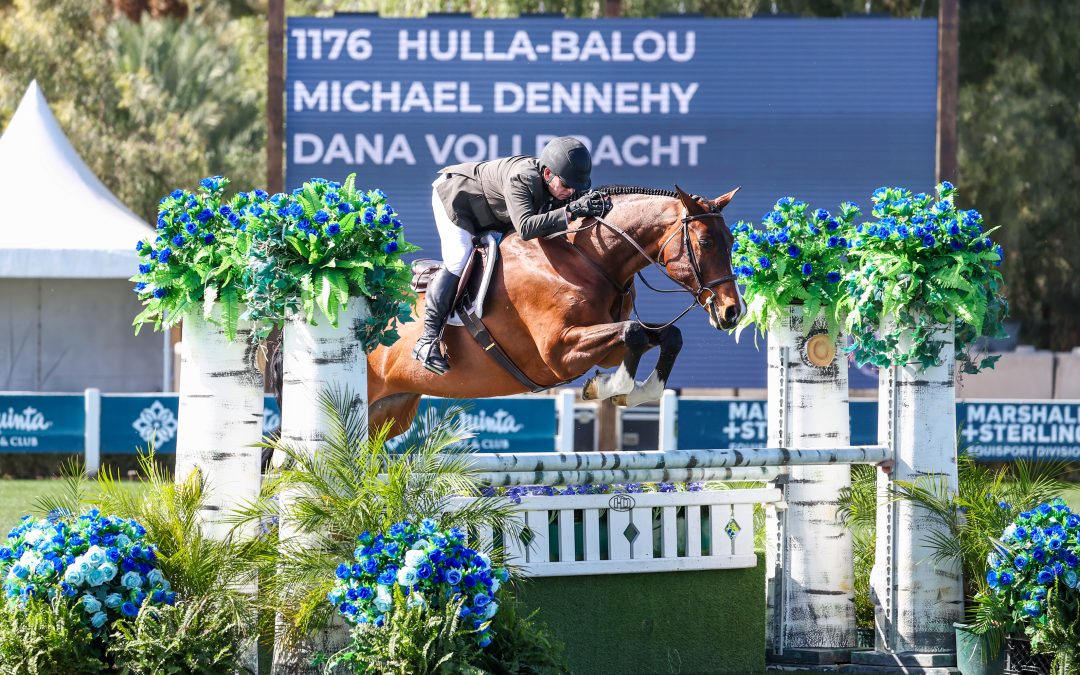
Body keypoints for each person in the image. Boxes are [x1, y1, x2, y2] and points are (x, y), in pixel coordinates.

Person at [413, 136, 610, 375]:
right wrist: (570, 211)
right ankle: (427, 339)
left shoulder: (558, 185)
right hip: (456, 201)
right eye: (567, 186)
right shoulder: (522, 178)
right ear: (547, 174)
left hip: (490, 212)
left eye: (577, 189)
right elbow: (526, 227)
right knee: (459, 256)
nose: (571, 193)